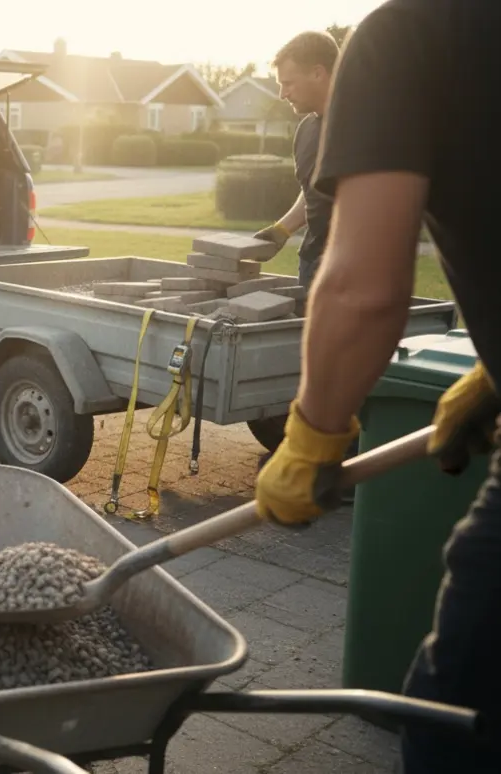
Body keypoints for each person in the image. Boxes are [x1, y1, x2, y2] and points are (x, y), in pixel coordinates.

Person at [252, 1, 501, 771]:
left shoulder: (415, 32)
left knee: (454, 723)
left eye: (292, 80)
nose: (286, 92)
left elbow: (363, 290)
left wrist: (313, 435)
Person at [250, 31, 341, 288]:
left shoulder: (362, 127)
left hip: (349, 269)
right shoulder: (306, 129)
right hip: (311, 262)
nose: (282, 94)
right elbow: (313, 191)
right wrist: (282, 230)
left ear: (317, 73)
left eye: (288, 83)